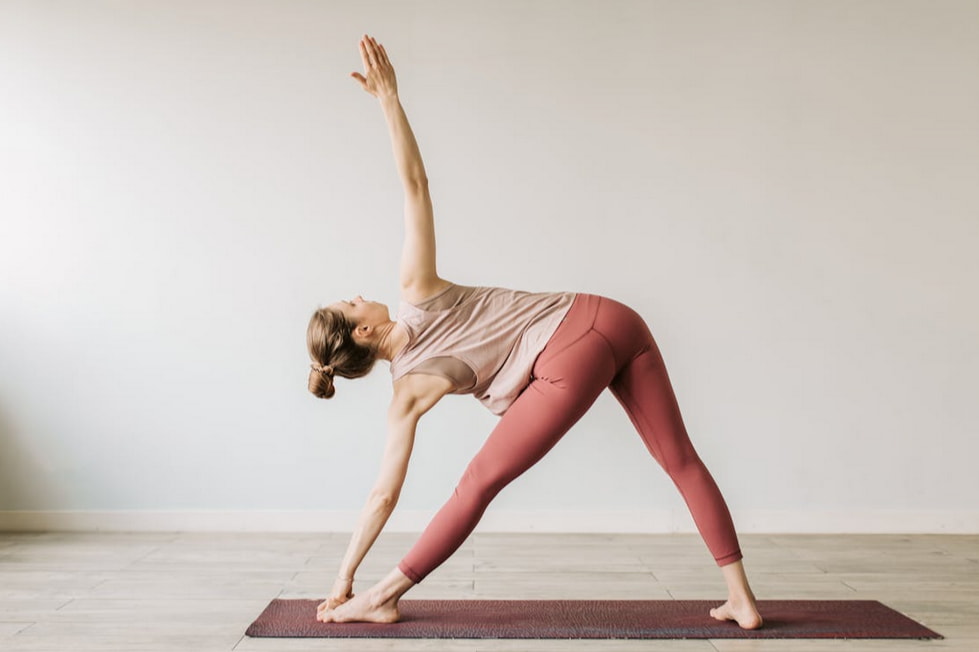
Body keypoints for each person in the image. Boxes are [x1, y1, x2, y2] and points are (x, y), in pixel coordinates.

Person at [306, 34, 763, 630]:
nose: (362, 293)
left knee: (476, 482)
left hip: (568, 354)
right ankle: (743, 599)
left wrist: (344, 578)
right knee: (680, 458)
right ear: (362, 331)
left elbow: (382, 497)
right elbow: (416, 186)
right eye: (352, 301)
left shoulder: (407, 391)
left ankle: (383, 594)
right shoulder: (415, 292)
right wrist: (390, 100)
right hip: (614, 316)